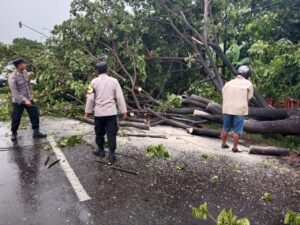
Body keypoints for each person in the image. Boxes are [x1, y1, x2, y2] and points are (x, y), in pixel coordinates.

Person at [84, 62, 127, 163]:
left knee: (99, 132)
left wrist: (87, 112)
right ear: (107, 70)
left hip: (99, 113)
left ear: (97, 71)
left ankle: (101, 151)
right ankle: (111, 154)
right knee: (111, 133)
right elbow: (120, 97)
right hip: (111, 113)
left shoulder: (93, 82)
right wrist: (123, 111)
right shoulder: (114, 81)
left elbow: (90, 98)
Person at [8, 58, 47, 142]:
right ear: (19, 65)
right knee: (16, 117)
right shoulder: (13, 77)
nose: (25, 65)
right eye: (23, 63)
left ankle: (36, 132)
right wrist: (25, 100)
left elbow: (28, 85)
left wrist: (30, 95)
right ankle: (14, 133)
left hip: (29, 98)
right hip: (18, 101)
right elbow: (14, 92)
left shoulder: (25, 73)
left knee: (34, 114)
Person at [221, 65, 254, 152]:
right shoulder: (248, 84)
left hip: (227, 108)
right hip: (239, 110)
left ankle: (223, 143)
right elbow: (249, 97)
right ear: (247, 74)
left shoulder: (229, 83)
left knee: (226, 127)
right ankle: (234, 148)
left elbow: (223, 93)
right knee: (237, 130)